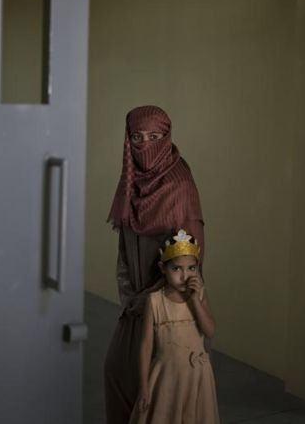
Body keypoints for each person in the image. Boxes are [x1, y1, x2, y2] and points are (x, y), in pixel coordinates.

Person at [104, 105, 205, 424]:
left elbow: (188, 260)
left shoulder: (179, 183)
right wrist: (129, 296)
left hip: (169, 305)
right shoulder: (130, 182)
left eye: (154, 137)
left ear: (167, 137)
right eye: (136, 137)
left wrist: (154, 299)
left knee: (161, 397)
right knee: (117, 374)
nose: (145, 145)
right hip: (133, 304)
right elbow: (123, 250)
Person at [130, 230, 219, 424]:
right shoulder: (154, 302)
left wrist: (195, 300)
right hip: (166, 379)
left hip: (196, 379)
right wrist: (144, 386)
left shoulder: (200, 295)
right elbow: (145, 346)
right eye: (176, 269)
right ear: (163, 268)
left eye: (191, 268)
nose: (185, 276)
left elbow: (210, 331)